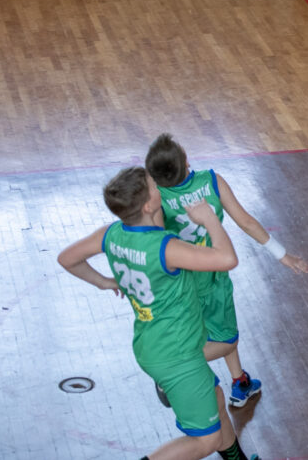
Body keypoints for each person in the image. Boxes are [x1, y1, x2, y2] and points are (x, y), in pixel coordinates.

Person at [57, 166, 258, 460]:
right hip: (178, 354)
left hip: (152, 343)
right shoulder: (165, 248)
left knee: (215, 397)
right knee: (206, 441)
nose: (159, 185)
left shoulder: (111, 234)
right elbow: (227, 258)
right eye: (154, 185)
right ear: (149, 205)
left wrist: (105, 282)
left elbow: (67, 258)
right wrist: (209, 219)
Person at [146, 133, 308, 407]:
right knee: (228, 339)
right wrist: (282, 254)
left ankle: (240, 381)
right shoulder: (212, 181)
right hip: (212, 278)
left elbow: (156, 238)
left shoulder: (157, 197)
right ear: (186, 161)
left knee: (216, 330)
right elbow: (246, 222)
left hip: (179, 281)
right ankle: (172, 370)